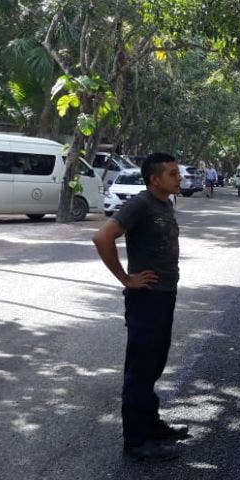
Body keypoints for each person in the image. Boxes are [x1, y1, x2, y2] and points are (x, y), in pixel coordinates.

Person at [92, 152, 189, 462]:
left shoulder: (164, 203)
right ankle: (136, 441)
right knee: (141, 368)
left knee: (154, 364)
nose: (179, 178)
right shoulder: (140, 204)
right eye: (172, 174)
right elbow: (102, 237)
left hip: (164, 295)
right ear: (154, 179)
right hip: (146, 298)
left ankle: (151, 425)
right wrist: (126, 278)